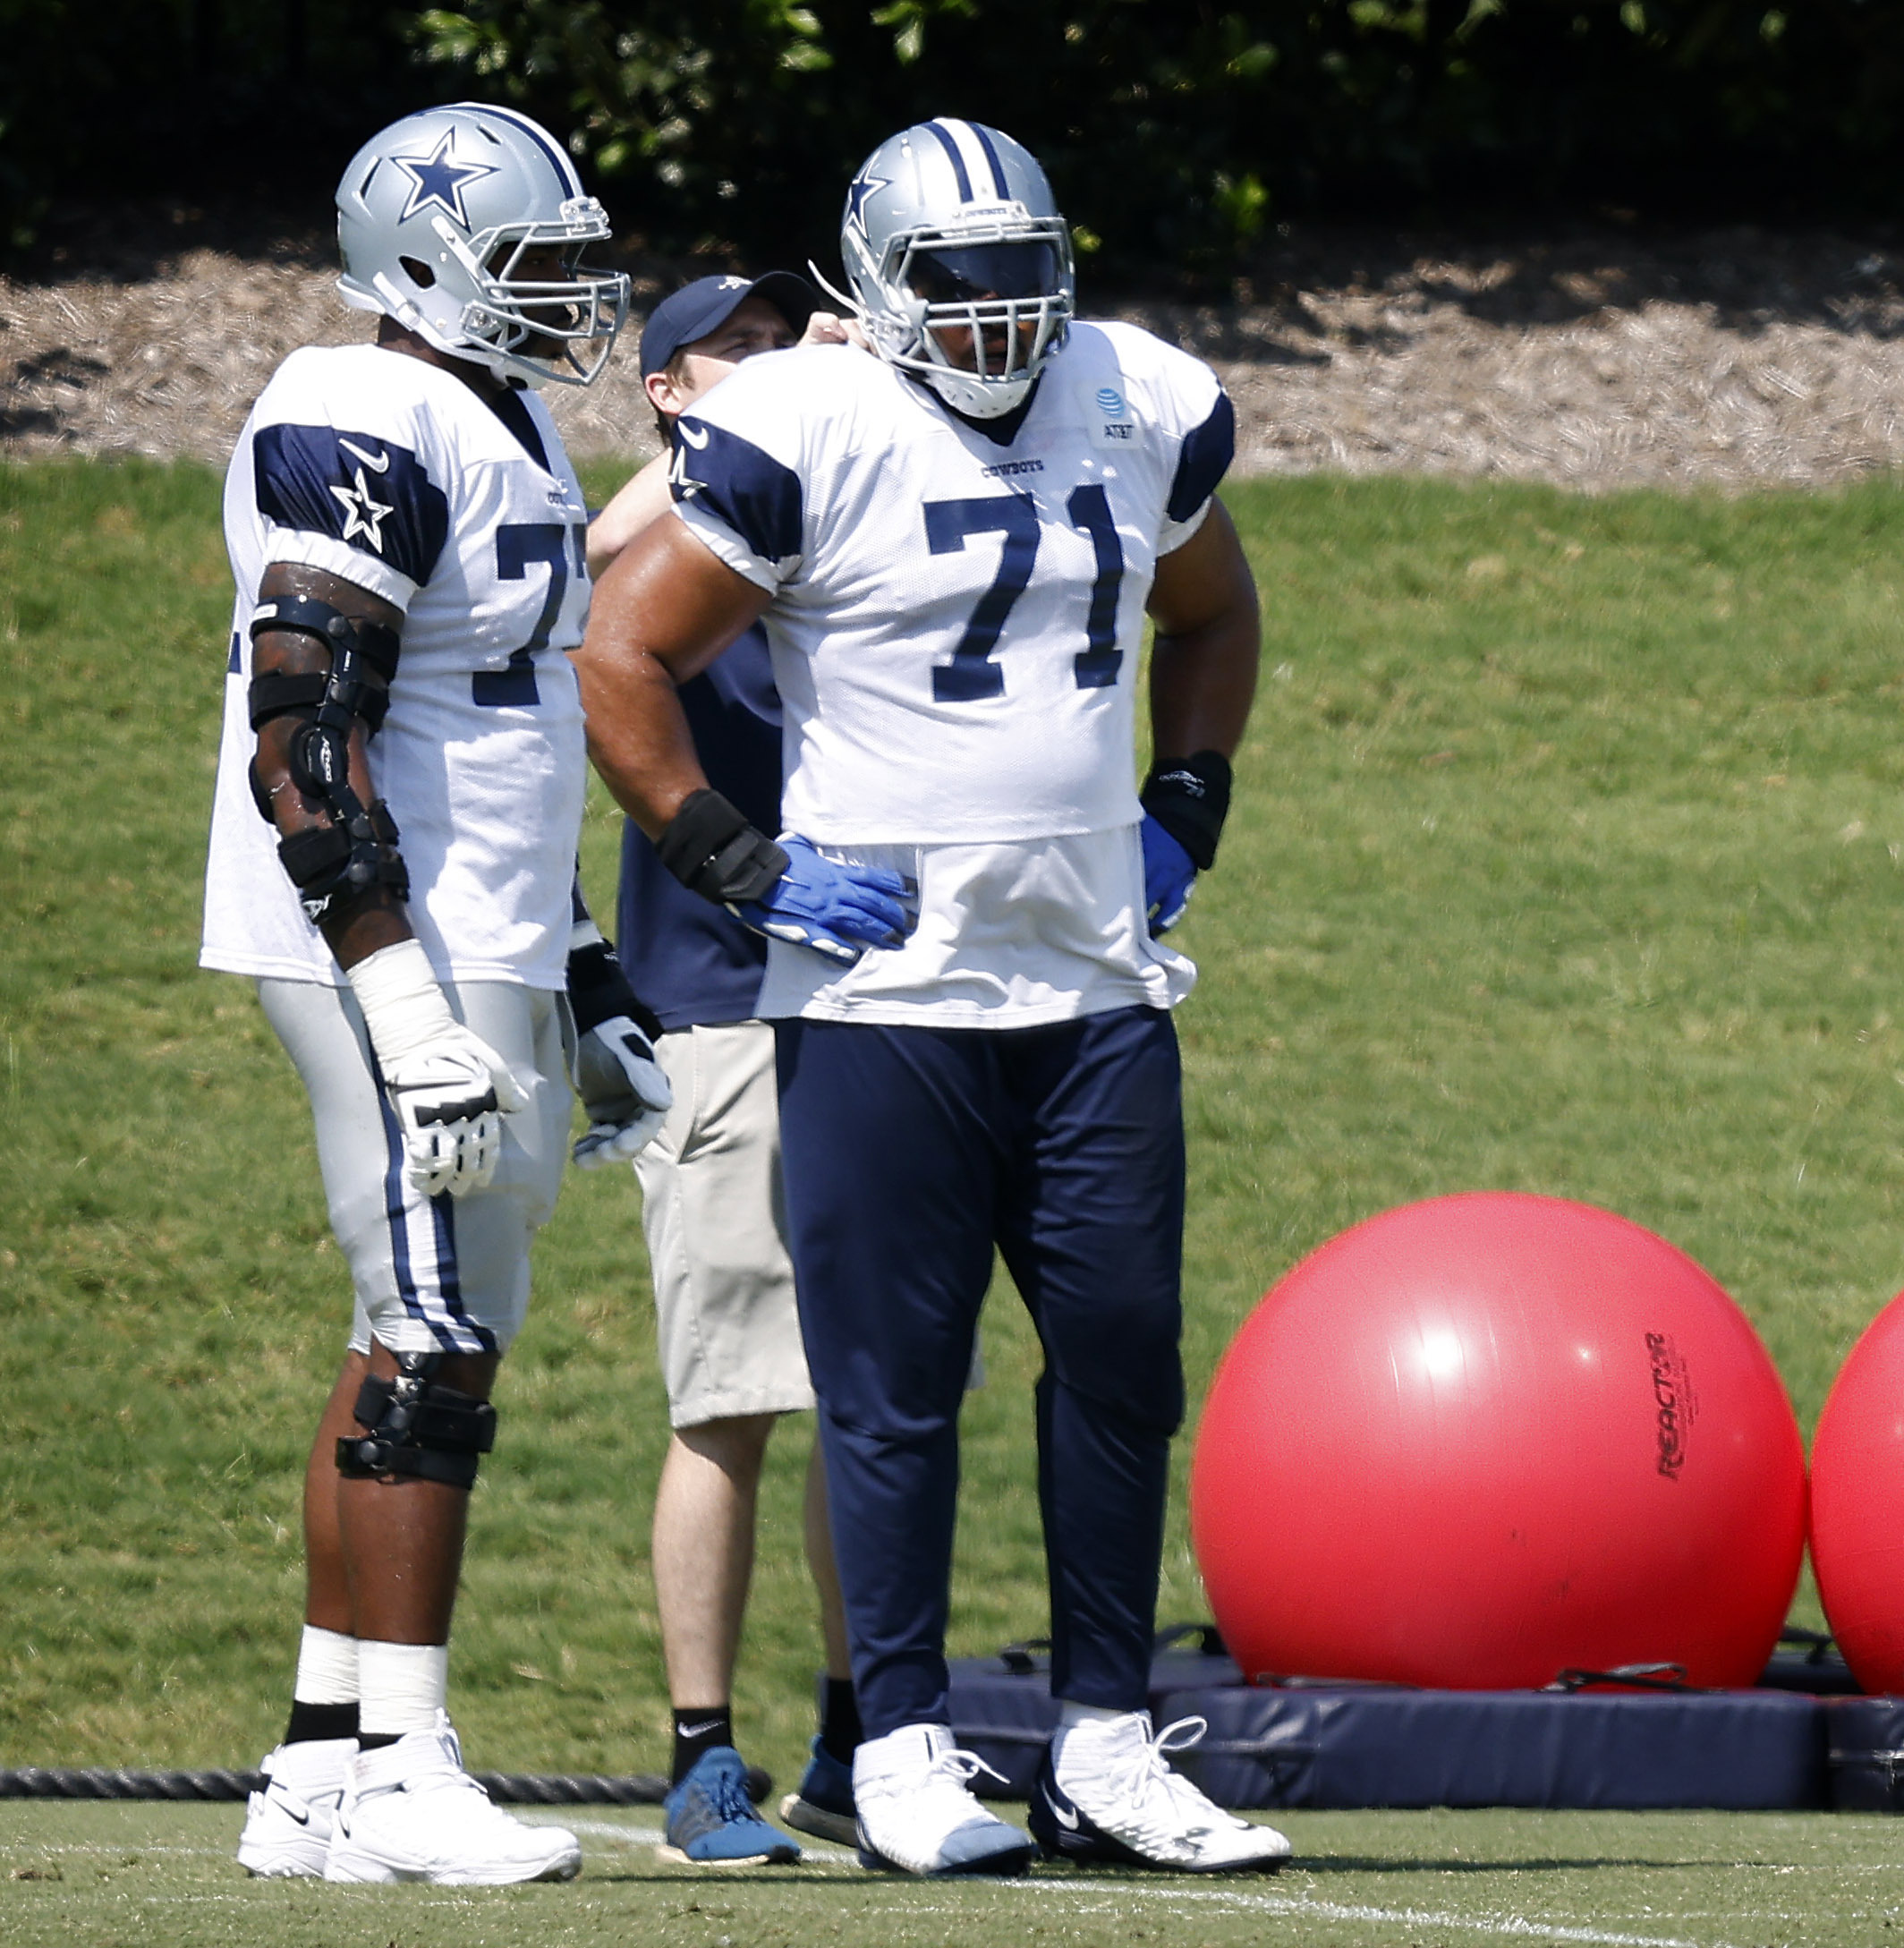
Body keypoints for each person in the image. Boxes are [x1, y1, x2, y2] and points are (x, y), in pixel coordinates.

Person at [574, 116, 1288, 1879]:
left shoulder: (1139, 396)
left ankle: (1107, 1745)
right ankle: (895, 1746)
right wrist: (738, 864)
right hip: (882, 1001)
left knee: (1121, 1361)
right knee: (890, 1386)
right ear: (880, 292)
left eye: (1022, 282)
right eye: (956, 290)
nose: (996, 323)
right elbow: (624, 655)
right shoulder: (801, 425)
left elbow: (1212, 611)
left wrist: (1186, 801)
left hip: (1097, 988)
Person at [208, 102, 666, 1885]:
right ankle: (405, 1767)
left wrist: (588, 973)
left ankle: (320, 1767)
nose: (573, 297)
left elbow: (509, 742)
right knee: (432, 1333)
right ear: (420, 266)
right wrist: (396, 992)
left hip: (477, 922)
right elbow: (305, 733)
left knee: (414, 1317)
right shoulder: (359, 412)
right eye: (534, 266)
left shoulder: (503, 416)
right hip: (381, 933)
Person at [583, 271, 852, 1869]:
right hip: (720, 1011)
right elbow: (594, 574)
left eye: (781, 338)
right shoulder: (657, 531)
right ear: (671, 394)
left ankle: (861, 1732)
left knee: (872, 1403)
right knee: (730, 1402)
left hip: (880, 1008)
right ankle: (701, 1759)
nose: (767, 364)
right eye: (730, 350)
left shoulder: (834, 502)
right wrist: (735, 428)